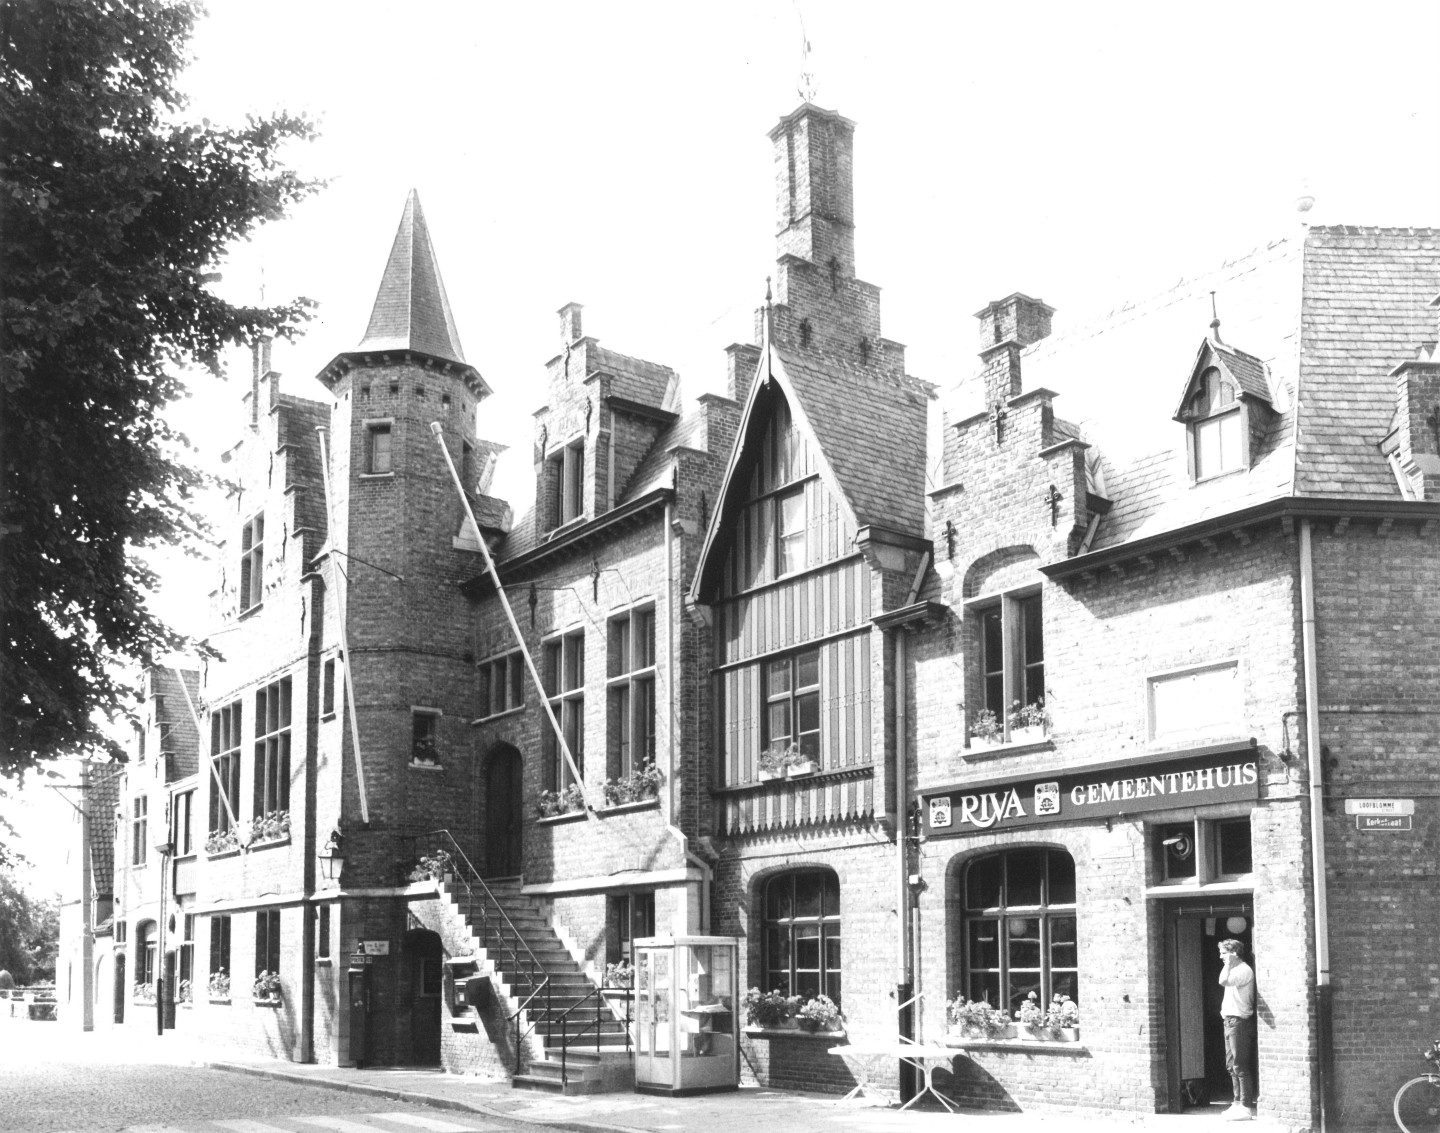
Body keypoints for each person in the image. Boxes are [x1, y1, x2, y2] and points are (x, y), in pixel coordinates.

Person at [1218, 938, 1257, 1121]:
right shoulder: (1234, 969)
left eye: (1223, 953)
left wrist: (1230, 963)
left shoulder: (1243, 970)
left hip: (1239, 1021)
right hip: (1229, 1021)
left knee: (1240, 1065)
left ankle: (1246, 1107)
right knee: (1231, 1065)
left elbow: (1223, 981)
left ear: (1234, 953)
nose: (1220, 957)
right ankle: (1236, 1103)